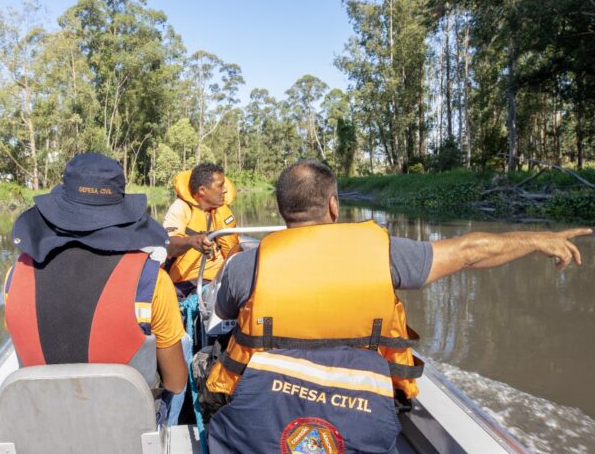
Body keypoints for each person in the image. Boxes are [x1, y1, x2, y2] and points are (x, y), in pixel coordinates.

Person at [201, 159, 591, 453]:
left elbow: (225, 312)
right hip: (366, 416)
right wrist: (539, 239)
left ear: (284, 210)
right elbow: (471, 251)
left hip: (263, 416)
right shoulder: (384, 253)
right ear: (333, 206)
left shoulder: (245, 265)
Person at [3, 153, 187, 423]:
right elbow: (176, 383)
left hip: (44, 426)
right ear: (123, 216)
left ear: (58, 211)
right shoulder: (152, 281)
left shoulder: (15, 276)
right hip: (126, 431)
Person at [163, 163, 239, 297]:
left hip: (221, 280)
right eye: (220, 185)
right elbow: (170, 245)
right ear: (202, 190)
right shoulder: (181, 208)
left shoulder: (221, 211)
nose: (225, 190)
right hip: (188, 283)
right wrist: (191, 241)